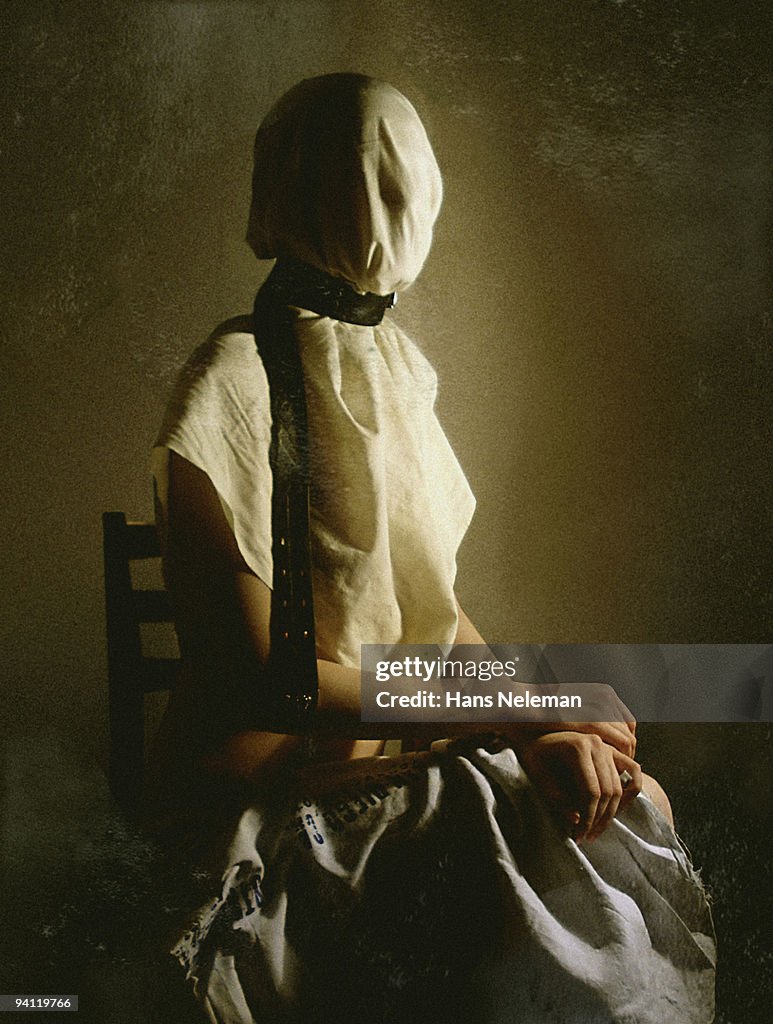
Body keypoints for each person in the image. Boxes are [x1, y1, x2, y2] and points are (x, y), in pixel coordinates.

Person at [146, 73, 715, 1023]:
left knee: (626, 796)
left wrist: (542, 718)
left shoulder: (398, 372)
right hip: (287, 789)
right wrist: (525, 712)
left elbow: (431, 615)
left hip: (404, 756)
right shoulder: (233, 385)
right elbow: (270, 683)